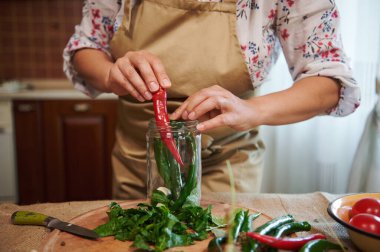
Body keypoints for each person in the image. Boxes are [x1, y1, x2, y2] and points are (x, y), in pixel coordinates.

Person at [63, 0, 360, 199]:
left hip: (228, 161)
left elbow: (331, 82)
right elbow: (85, 47)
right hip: (138, 162)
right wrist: (110, 73)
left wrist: (251, 110)